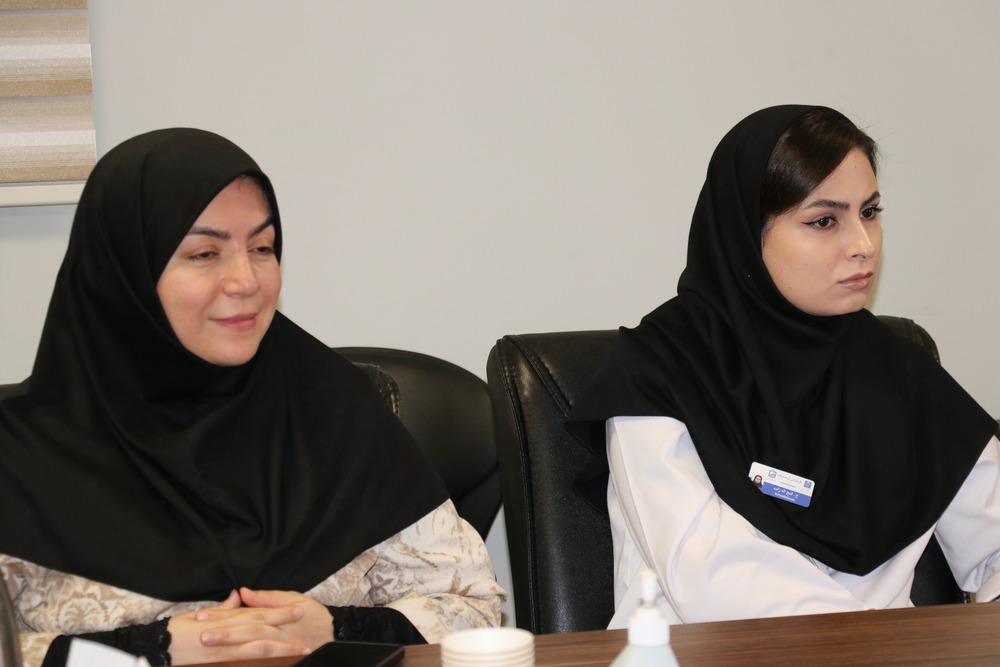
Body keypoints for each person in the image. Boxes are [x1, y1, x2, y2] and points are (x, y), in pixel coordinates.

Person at [0, 129, 504, 667]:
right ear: (123, 274)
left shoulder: (336, 410)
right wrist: (151, 651)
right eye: (204, 253)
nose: (245, 280)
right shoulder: (17, 454)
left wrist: (337, 628)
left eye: (262, 248)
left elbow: (475, 611)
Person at [567, 105, 1000, 626]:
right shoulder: (660, 372)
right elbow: (709, 583)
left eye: (869, 212)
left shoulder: (898, 368)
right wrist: (881, 644)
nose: (863, 246)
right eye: (824, 221)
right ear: (745, 232)